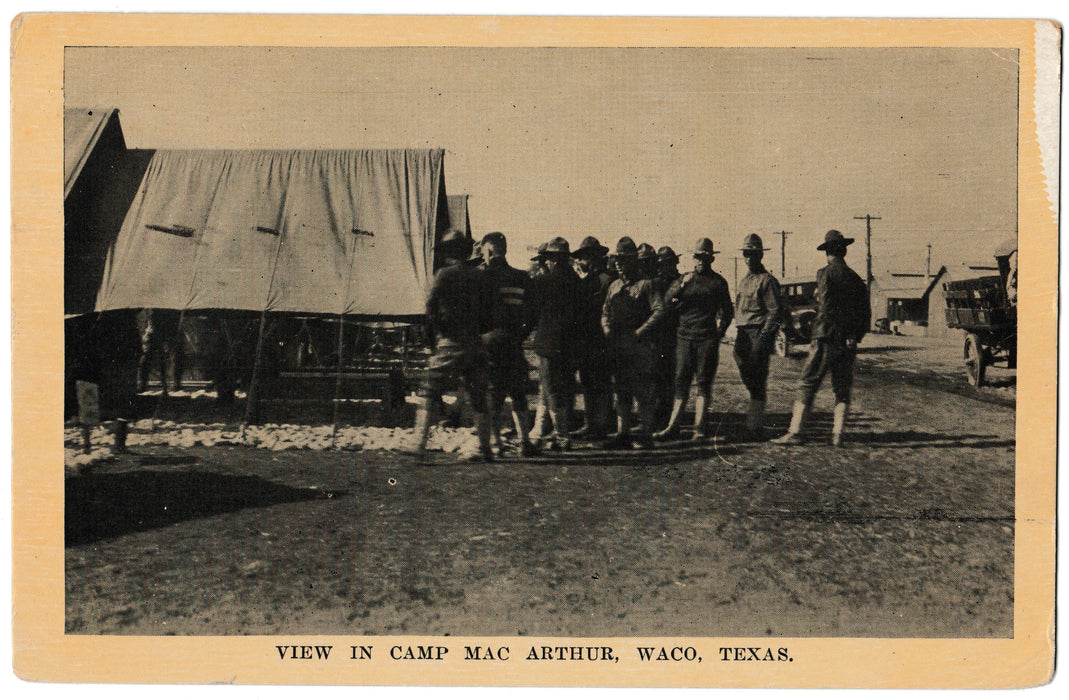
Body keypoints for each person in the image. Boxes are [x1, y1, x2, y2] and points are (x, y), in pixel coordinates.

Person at [772, 229, 870, 446]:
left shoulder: (824, 274)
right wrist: (853, 335)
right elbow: (866, 315)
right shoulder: (856, 279)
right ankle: (838, 435)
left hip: (826, 336)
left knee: (808, 382)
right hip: (849, 341)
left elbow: (826, 307)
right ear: (844, 251)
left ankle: (796, 432)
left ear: (827, 253)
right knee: (841, 388)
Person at [411, 229, 496, 460]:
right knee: (479, 396)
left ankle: (419, 444)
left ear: (448, 252)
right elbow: (490, 313)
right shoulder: (481, 276)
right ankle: (485, 447)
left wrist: (434, 336)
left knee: (429, 389)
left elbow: (430, 309)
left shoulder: (443, 275)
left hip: (449, 342)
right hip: (475, 342)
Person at [654, 238, 733, 441]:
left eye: (705, 257)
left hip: (706, 338)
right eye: (698, 256)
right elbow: (668, 303)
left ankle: (699, 429)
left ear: (712, 259)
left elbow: (728, 311)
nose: (701, 261)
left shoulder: (718, 282)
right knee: (680, 381)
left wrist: (719, 332)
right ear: (693, 257)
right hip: (684, 337)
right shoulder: (684, 280)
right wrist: (680, 287)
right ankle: (673, 426)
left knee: (703, 383)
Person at [601, 237, 665, 449]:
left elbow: (659, 311)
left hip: (640, 347)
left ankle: (646, 435)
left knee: (643, 392)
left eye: (624, 259)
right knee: (621, 391)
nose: (619, 263)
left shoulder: (647, 284)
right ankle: (622, 433)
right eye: (617, 259)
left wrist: (640, 332)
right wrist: (607, 329)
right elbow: (605, 311)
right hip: (618, 346)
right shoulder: (614, 286)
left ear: (634, 260)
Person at [480, 231, 538, 457]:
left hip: (490, 343)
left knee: (493, 393)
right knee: (518, 392)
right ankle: (524, 442)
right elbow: (533, 314)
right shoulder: (522, 277)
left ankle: (496, 444)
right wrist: (519, 337)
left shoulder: (482, 277)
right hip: (514, 342)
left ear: (488, 250)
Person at [529, 236, 580, 450]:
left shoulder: (543, 281)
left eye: (549, 258)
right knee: (556, 388)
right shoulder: (578, 282)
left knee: (549, 388)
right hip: (570, 344)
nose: (546, 262)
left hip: (549, 344)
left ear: (555, 260)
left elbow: (532, 310)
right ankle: (539, 429)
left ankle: (561, 435)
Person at [732, 234, 783, 439]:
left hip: (758, 333)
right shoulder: (745, 280)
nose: (749, 258)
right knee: (748, 373)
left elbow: (775, 313)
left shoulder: (767, 280)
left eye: (753, 254)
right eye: (746, 254)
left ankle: (754, 427)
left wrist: (763, 338)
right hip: (742, 333)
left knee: (758, 380)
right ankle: (754, 422)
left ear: (760, 254)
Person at [570, 235, 614, 440]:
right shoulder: (584, 281)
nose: (583, 261)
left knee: (601, 382)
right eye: (583, 257)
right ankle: (590, 423)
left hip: (601, 339)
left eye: (587, 257)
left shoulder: (606, 280)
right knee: (588, 381)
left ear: (596, 257)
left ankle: (602, 425)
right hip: (586, 339)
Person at [651, 246, 682, 430]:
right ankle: (657, 415)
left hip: (673, 334)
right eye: (660, 263)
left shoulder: (681, 282)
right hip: (657, 334)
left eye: (667, 263)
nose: (663, 267)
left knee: (669, 377)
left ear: (675, 263)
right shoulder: (656, 282)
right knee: (656, 376)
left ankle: (665, 417)